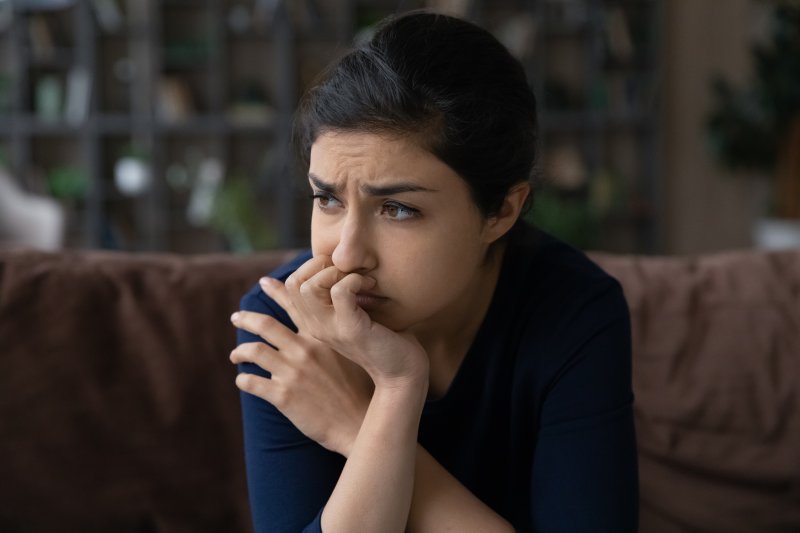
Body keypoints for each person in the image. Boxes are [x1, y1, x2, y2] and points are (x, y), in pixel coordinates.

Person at [230, 10, 638, 532]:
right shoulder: (284, 326)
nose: (347, 254)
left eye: (398, 209)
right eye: (327, 199)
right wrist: (396, 396)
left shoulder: (575, 312)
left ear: (502, 212)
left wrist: (365, 422)